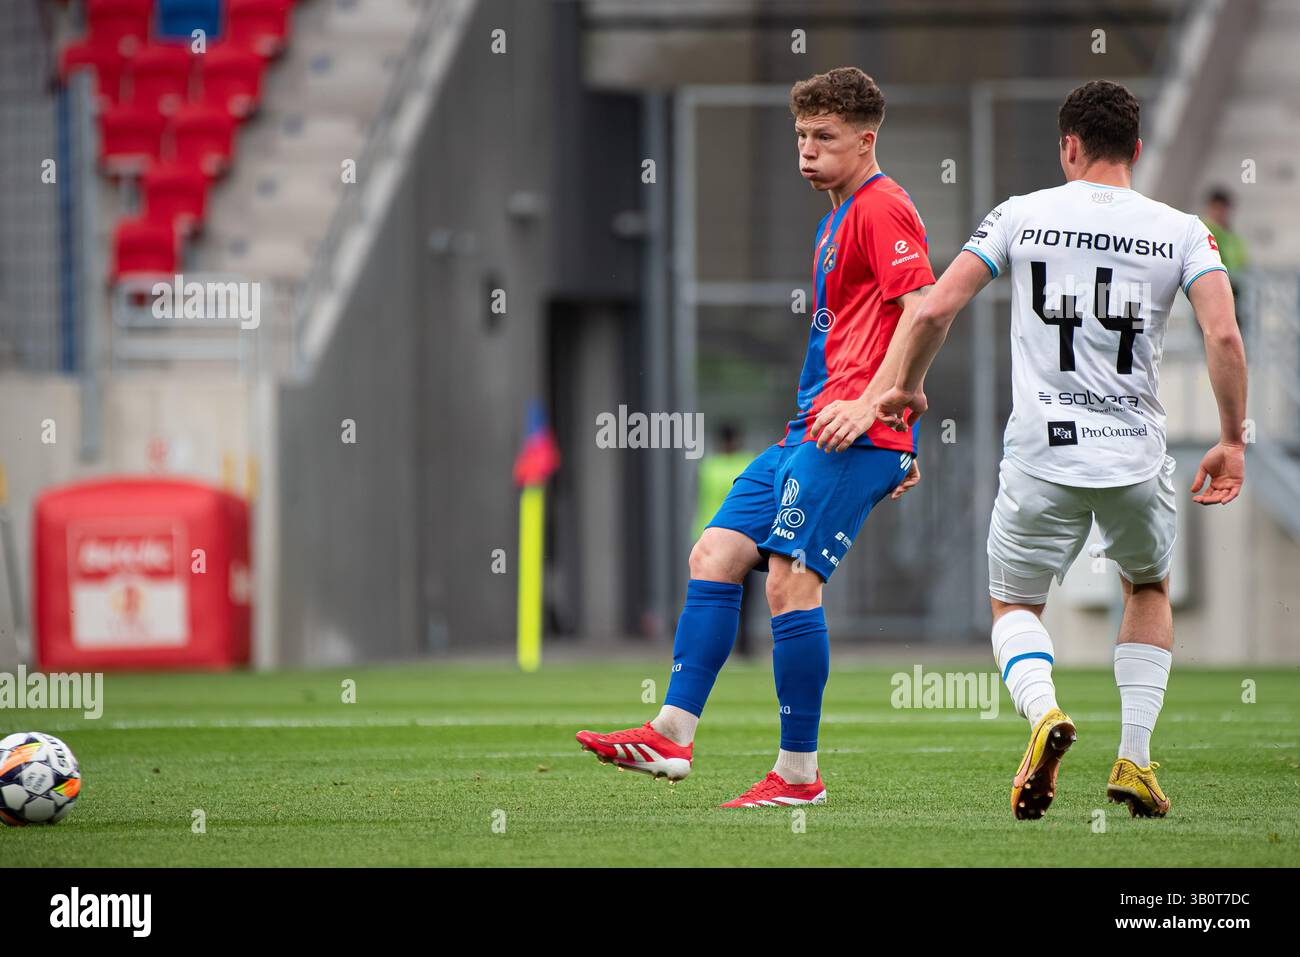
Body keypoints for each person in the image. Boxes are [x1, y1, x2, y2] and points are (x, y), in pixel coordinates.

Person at [875, 80, 1247, 820]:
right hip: (1136, 456)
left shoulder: (1021, 214)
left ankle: (1045, 713)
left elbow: (936, 307)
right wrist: (1233, 439)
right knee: (1146, 586)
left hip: (1042, 452)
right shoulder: (1182, 230)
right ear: (1135, 151)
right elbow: (1224, 335)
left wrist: (906, 388)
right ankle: (1135, 759)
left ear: (1068, 147)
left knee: (1015, 601)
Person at [576, 67, 929, 807]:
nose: (806, 150)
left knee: (792, 585)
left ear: (866, 141)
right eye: (801, 136)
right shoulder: (835, 216)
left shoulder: (882, 206)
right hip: (812, 432)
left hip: (849, 433)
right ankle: (672, 732)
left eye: (824, 138)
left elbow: (923, 309)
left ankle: (799, 775)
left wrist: (885, 414)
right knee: (716, 552)